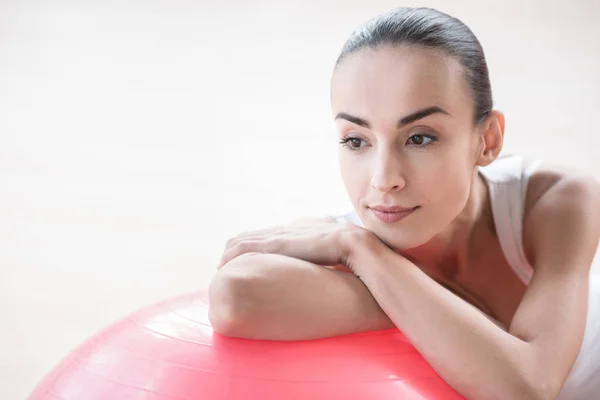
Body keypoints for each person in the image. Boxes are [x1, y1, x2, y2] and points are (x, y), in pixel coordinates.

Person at [208, 7, 600, 400]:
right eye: (356, 140)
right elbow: (235, 295)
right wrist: (357, 248)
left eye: (420, 138)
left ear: (488, 140)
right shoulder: (340, 238)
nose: (383, 180)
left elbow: (529, 387)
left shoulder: (556, 200)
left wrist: (361, 254)